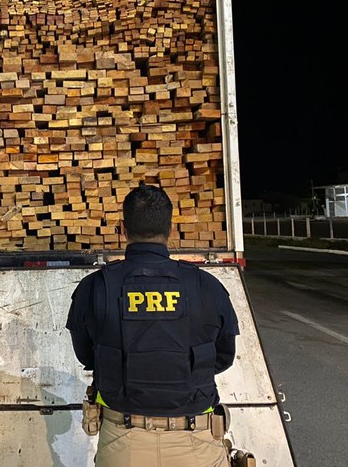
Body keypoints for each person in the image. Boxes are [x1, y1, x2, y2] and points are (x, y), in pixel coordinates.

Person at [66, 184, 239, 467]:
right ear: (170, 229)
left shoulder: (95, 286)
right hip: (197, 443)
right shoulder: (207, 286)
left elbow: (86, 356)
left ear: (123, 229)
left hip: (123, 443)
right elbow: (223, 357)